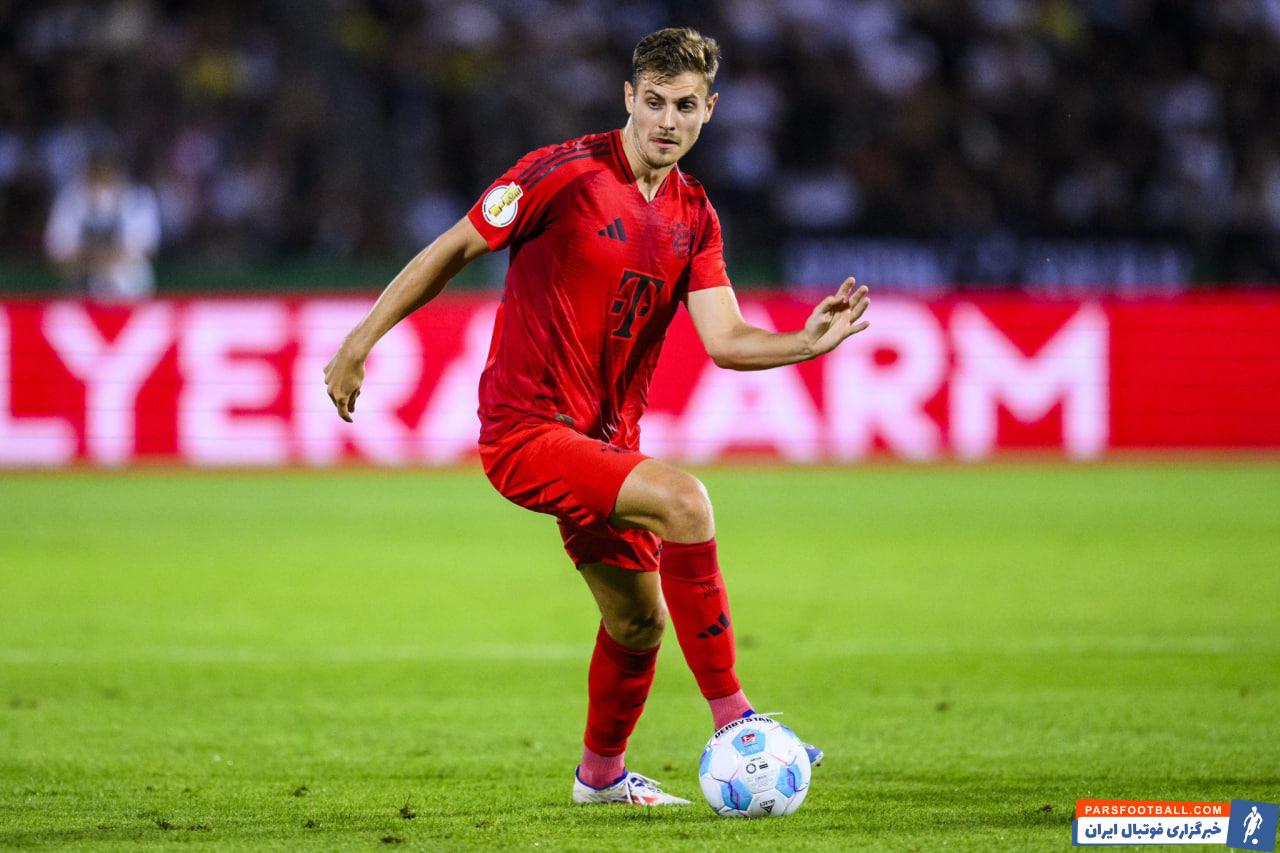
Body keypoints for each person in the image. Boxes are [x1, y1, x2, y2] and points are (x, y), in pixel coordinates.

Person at [324, 27, 870, 806]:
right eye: (655, 102)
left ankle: (601, 778)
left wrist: (803, 344)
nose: (667, 121)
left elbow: (724, 339)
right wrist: (361, 339)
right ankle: (738, 721)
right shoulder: (562, 173)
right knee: (685, 501)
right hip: (526, 429)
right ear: (628, 97)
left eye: (686, 106)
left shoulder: (694, 214)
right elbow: (453, 248)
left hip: (605, 443)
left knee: (638, 623)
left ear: (710, 110)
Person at [44, 148, 161, 302]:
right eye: (98, 172)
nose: (104, 177)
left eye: (109, 172)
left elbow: (143, 246)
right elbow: (59, 251)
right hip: (81, 291)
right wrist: (96, 259)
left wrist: (96, 257)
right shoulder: (71, 199)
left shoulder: (139, 198)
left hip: (129, 292)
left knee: (130, 274)